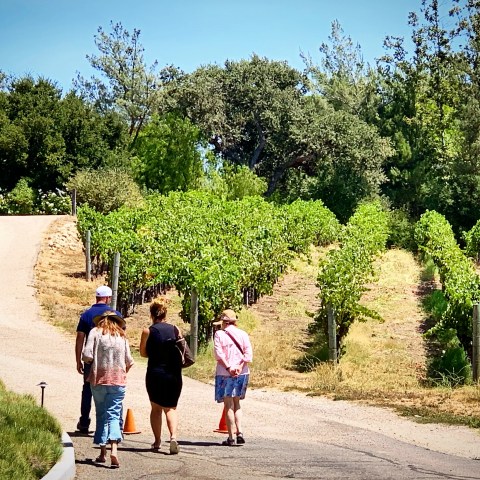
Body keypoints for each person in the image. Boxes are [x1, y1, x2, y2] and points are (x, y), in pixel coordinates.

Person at [82, 310, 134, 468]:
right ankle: (114, 451)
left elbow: (87, 355)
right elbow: (129, 361)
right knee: (114, 415)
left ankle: (103, 453)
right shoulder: (121, 336)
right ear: (117, 322)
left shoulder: (95, 332)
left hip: (98, 380)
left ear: (101, 320)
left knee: (101, 414)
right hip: (117, 382)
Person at [75, 285, 123, 434]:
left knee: (88, 390)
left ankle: (84, 422)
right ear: (108, 298)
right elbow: (121, 340)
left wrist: (78, 360)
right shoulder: (116, 315)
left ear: (97, 297)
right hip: (112, 362)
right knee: (114, 390)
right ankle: (118, 425)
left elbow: (80, 339)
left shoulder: (86, 315)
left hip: (91, 361)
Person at [139, 296, 183, 454]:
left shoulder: (148, 331)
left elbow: (143, 353)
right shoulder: (175, 329)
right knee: (171, 408)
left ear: (151, 315)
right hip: (174, 374)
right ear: (165, 314)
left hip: (155, 373)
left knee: (156, 408)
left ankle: (157, 441)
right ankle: (173, 437)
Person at [213, 308, 253, 446]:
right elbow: (248, 355)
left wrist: (229, 368)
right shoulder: (243, 334)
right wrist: (240, 367)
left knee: (228, 404)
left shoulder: (219, 334)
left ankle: (230, 437)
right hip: (242, 372)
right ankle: (240, 432)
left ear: (224, 323)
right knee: (237, 403)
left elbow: (219, 355)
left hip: (225, 373)